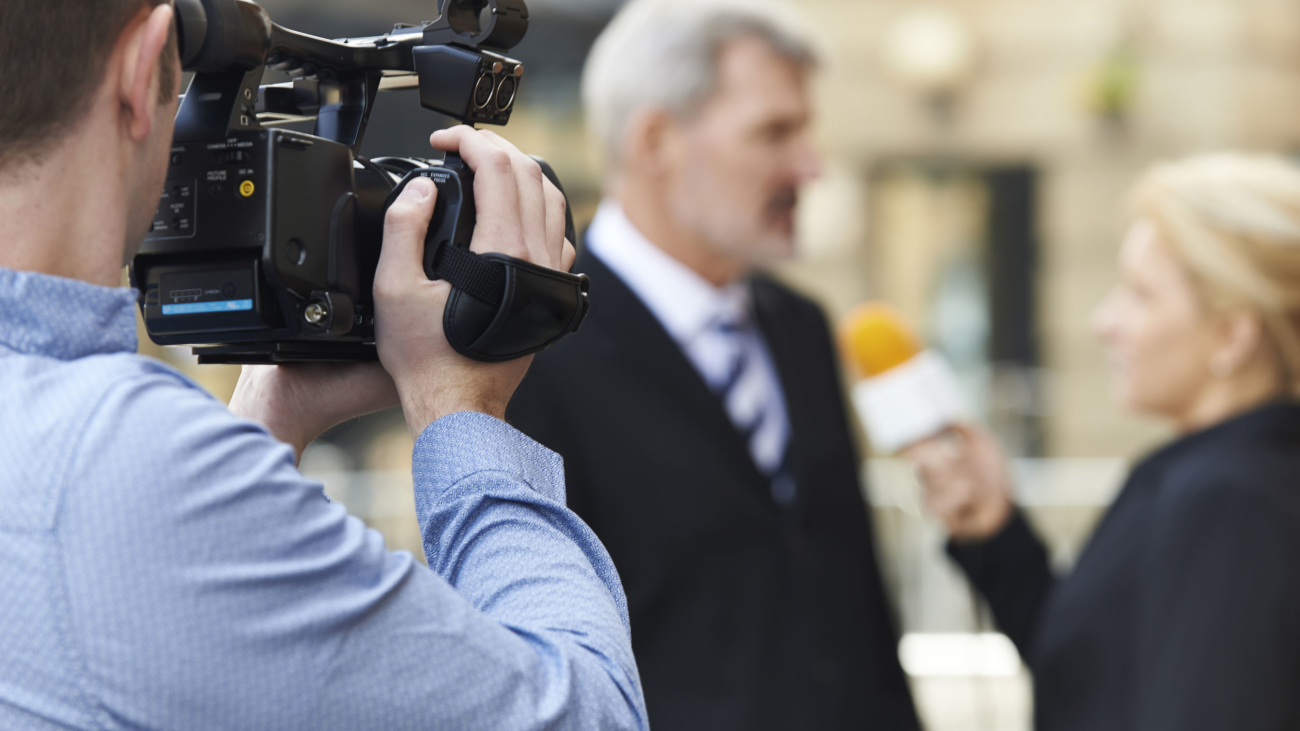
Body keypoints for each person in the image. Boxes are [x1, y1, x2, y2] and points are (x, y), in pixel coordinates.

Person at [0, 1, 647, 728]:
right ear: (146, 63)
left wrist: (268, 418)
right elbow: (586, 714)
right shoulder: (122, 462)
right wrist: (462, 410)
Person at [506, 1, 920, 729]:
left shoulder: (801, 327)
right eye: (774, 131)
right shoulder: (531, 356)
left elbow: (856, 602)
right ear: (657, 140)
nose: (811, 165)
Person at [907, 153, 1300, 731]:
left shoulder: (1228, 499)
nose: (1103, 322)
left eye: (1141, 295)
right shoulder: (1209, 474)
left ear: (1231, 334)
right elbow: (1094, 677)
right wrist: (995, 528)